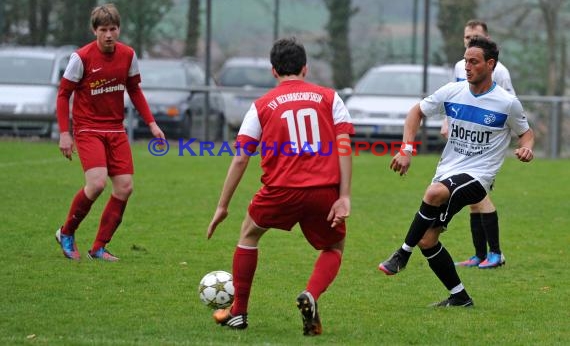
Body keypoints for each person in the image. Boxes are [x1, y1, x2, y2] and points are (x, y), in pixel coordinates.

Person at [206, 37, 354, 335]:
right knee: (333, 246)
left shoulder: (261, 106)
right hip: (323, 190)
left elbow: (240, 159)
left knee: (249, 233)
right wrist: (344, 196)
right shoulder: (329, 97)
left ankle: (239, 312)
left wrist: (223, 206)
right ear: (305, 68)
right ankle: (311, 293)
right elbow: (344, 146)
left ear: (273, 71)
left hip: (280, 190)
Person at [377, 36, 534, 307]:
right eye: (465, 61)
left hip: (478, 177)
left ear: (490, 64)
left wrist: (527, 148)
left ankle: (402, 254)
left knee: (434, 192)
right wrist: (406, 150)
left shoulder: (506, 103)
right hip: (448, 171)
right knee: (428, 239)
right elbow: (416, 112)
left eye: (474, 62)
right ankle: (459, 296)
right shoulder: (452, 91)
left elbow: (526, 133)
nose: (467, 67)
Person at [55, 3, 164, 262]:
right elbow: (63, 95)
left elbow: (135, 90)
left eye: (113, 29)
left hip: (116, 129)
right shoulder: (80, 58)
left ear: (119, 29)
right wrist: (64, 133)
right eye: (103, 29)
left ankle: (98, 247)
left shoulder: (128, 55)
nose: (109, 35)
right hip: (88, 128)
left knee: (125, 187)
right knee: (96, 183)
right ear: (94, 30)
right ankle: (66, 232)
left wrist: (151, 123)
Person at [445, 20, 516, 269]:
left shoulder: (501, 71)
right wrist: (448, 122)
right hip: (463, 144)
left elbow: (510, 105)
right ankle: (479, 255)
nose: (469, 40)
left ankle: (496, 254)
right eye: (466, 37)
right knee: (474, 202)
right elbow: (453, 98)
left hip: (486, 147)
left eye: (474, 36)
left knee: (480, 196)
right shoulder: (459, 67)